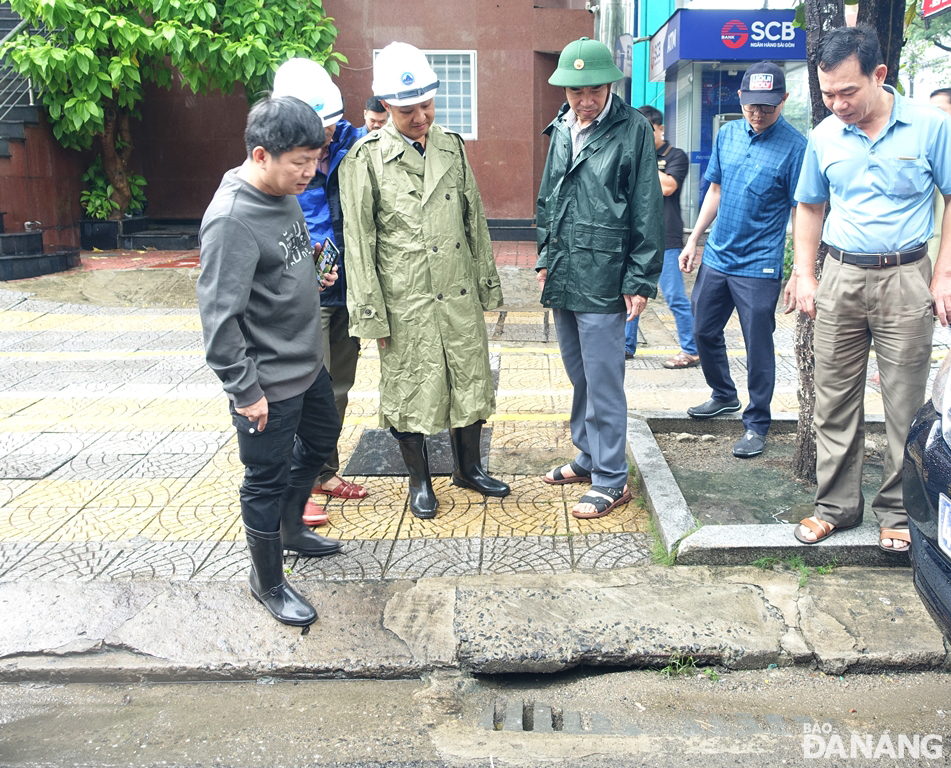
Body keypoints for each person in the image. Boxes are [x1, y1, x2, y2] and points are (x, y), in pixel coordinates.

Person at [791, 26, 951, 553]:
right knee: (834, 399)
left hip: (907, 276)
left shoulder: (931, 127)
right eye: (827, 93)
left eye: (847, 92)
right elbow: (810, 205)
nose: (836, 104)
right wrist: (805, 274)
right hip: (839, 274)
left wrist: (944, 274)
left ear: (879, 75)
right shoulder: (823, 137)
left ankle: (899, 512)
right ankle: (835, 506)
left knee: (905, 403)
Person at [339, 42, 510, 519]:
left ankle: (468, 469)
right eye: (408, 109)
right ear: (386, 107)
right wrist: (370, 313)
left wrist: (485, 285)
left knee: (468, 379)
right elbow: (359, 242)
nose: (421, 117)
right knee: (410, 389)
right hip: (404, 297)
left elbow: (473, 218)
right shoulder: (366, 158)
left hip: (455, 288)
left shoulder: (451, 146)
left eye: (428, 106)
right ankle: (419, 481)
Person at [196, 96, 343, 627]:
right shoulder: (232, 218)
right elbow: (218, 317)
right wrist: (245, 389)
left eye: (315, 159)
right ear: (261, 155)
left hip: (306, 363)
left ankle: (290, 528)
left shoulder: (283, 192)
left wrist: (314, 276)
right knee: (264, 478)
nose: (310, 172)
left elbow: (281, 264)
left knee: (322, 442)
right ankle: (267, 580)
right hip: (267, 382)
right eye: (299, 162)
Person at [536, 37, 663, 519]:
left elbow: (647, 206)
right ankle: (589, 456)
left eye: (594, 90)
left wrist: (639, 277)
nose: (585, 100)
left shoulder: (631, 129)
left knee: (605, 378)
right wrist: (546, 252)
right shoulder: (562, 127)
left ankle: (612, 479)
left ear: (610, 85)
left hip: (608, 272)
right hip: (566, 267)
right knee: (579, 372)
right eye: (576, 91)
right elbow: (548, 195)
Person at [679, 61, 806, 459]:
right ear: (740, 97)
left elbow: (802, 210)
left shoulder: (797, 147)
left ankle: (756, 423)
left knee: (757, 346)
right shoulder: (728, 133)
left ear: (783, 100)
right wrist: (694, 239)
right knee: (702, 329)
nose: (758, 113)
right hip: (718, 255)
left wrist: (799, 268)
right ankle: (723, 394)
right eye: (752, 105)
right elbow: (715, 190)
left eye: (767, 107)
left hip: (760, 265)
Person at [272, 59, 368, 527]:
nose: (326, 137)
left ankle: (324, 472)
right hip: (302, 294)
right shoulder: (275, 161)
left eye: (330, 124)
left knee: (338, 390)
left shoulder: (355, 144)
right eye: (316, 129)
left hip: (348, 287)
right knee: (303, 395)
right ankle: (298, 485)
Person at [624, 105, 697, 369]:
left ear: (660, 128)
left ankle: (691, 349)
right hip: (636, 238)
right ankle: (625, 346)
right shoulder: (631, 153)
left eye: (647, 130)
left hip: (666, 238)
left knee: (675, 296)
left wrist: (641, 159)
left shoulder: (676, 155)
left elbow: (668, 187)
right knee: (629, 292)